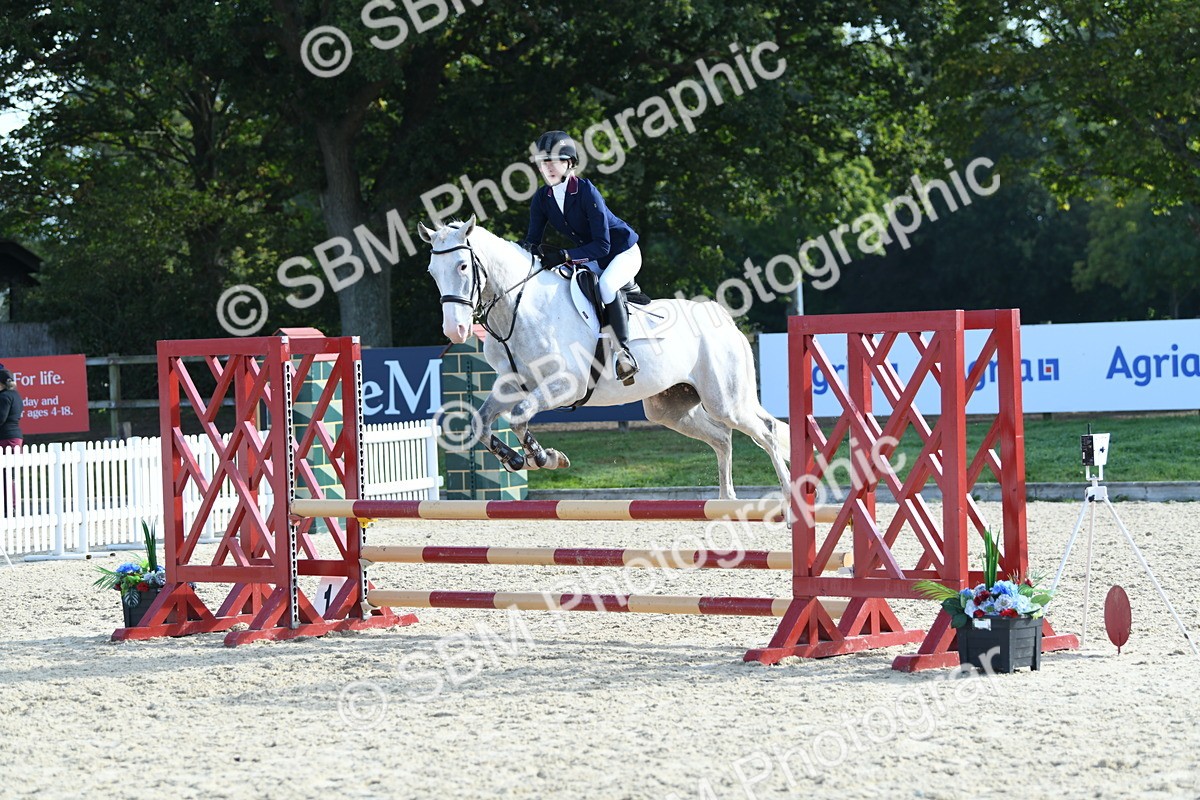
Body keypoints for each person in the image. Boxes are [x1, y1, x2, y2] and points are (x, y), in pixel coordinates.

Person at [519, 130, 642, 383]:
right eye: (543, 162)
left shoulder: (586, 192)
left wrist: (565, 255)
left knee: (607, 287)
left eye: (554, 161)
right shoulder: (542, 198)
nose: (548, 167)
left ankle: (624, 354)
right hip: (593, 256)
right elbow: (532, 241)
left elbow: (603, 246)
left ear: (569, 163)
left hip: (621, 252)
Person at [0, 369, 21, 451]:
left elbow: (1, 418)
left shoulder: (4, 396)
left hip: (5, 438)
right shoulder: (16, 395)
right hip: (15, 436)